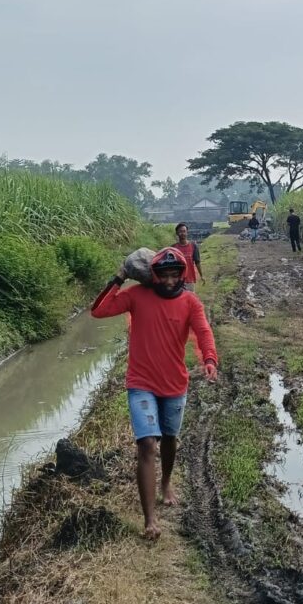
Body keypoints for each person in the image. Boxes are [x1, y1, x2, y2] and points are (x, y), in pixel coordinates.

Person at [90, 248, 219, 539]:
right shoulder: (136, 296)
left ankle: (166, 482)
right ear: (154, 275)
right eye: (165, 275)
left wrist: (209, 359)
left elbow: (203, 332)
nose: (170, 281)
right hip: (141, 383)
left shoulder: (190, 302)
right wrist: (120, 276)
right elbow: (98, 310)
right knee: (147, 444)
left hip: (174, 384)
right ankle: (150, 520)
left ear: (183, 276)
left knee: (170, 439)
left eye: (176, 275)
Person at [172, 223, 203, 288]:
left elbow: (197, 262)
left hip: (190, 280)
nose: (182, 233)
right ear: (177, 233)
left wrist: (201, 276)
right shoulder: (173, 248)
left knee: (190, 297)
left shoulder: (193, 246)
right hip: (177, 280)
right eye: (180, 231)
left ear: (187, 233)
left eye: (184, 231)